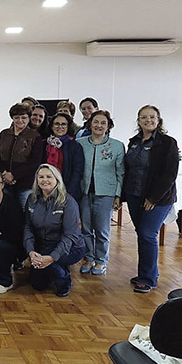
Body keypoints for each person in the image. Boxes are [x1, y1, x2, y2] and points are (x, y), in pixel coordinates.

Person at [123, 105, 179, 294]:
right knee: (143, 235)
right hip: (134, 194)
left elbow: (169, 174)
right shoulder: (134, 142)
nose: (148, 120)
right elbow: (128, 170)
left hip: (158, 198)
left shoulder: (167, 143)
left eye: (152, 117)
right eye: (144, 117)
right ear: (138, 120)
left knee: (148, 234)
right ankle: (147, 273)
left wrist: (153, 198)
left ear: (158, 119)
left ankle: (147, 279)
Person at [24, 164, 83, 297]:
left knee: (52, 264)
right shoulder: (32, 199)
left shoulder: (68, 201)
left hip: (71, 246)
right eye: (41, 177)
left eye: (49, 176)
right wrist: (31, 251)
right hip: (44, 244)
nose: (45, 180)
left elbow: (70, 235)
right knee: (37, 285)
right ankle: (52, 270)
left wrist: (52, 257)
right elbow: (28, 227)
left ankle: (64, 281)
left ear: (57, 179)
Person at [77, 110, 124, 276]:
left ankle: (101, 260)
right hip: (84, 191)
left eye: (103, 123)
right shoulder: (80, 143)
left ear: (108, 126)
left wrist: (118, 195)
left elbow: (121, 172)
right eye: (96, 122)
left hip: (106, 192)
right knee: (86, 228)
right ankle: (88, 258)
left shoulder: (117, 146)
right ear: (90, 123)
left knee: (102, 230)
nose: (99, 125)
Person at [0, 102, 43, 207]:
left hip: (25, 184)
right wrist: (4, 173)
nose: (20, 121)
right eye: (16, 117)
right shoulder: (4, 134)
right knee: (5, 212)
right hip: (4, 182)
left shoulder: (34, 136)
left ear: (28, 118)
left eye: (23, 117)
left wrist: (14, 175)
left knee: (25, 215)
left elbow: (34, 162)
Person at [42, 113, 84, 203]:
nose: (60, 126)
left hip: (68, 191)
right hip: (46, 189)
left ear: (68, 126)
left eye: (63, 124)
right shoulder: (44, 144)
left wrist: (67, 192)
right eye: (57, 124)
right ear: (52, 126)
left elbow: (78, 171)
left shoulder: (74, 146)